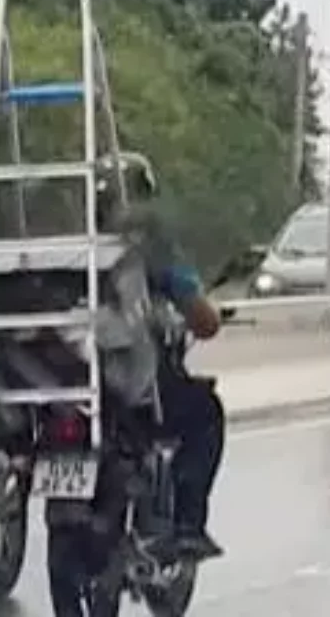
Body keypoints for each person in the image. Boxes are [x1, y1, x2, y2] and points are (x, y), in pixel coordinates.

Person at [96, 154, 225, 561]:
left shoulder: (68, 246)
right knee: (206, 414)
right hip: (133, 389)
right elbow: (204, 319)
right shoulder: (155, 251)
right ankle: (188, 526)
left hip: (67, 392)